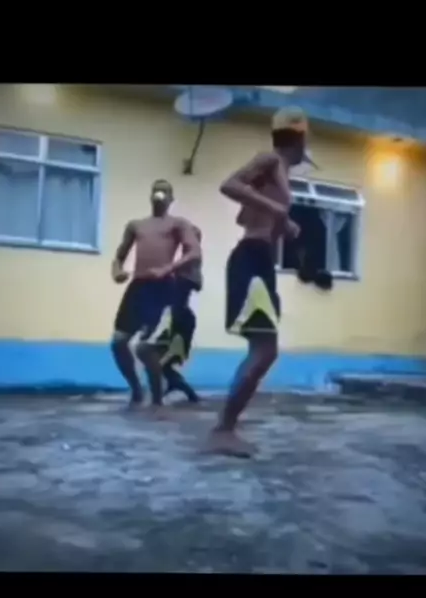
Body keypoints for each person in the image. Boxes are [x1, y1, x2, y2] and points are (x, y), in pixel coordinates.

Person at [206, 107, 312, 457]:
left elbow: (245, 216)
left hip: (260, 259)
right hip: (250, 257)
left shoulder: (279, 174)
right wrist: (276, 210)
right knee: (265, 350)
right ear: (300, 139)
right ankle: (223, 430)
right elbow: (229, 185)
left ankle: (225, 428)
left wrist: (284, 225)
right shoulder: (269, 160)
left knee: (263, 350)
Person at [111, 180, 201, 411]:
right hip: (138, 287)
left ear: (171, 198)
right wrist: (117, 271)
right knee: (118, 342)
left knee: (145, 348)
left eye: (165, 191)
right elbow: (119, 256)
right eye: (156, 190)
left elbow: (194, 252)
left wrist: (167, 268)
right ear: (150, 196)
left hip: (163, 288)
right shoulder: (136, 225)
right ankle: (136, 389)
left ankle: (157, 400)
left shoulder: (178, 224)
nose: (160, 195)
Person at [160, 225, 203, 404]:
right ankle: (176, 386)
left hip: (181, 320)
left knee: (162, 361)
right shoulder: (187, 263)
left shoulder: (191, 262)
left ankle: (185, 390)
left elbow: (196, 283)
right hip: (178, 318)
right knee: (161, 361)